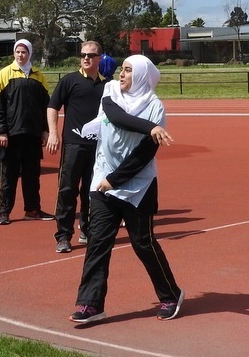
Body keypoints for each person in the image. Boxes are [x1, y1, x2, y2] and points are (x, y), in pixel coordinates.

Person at [69, 54, 184, 324]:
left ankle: (171, 294)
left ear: (142, 76)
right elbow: (116, 117)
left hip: (137, 187)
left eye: (129, 70)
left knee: (143, 243)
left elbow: (144, 154)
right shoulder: (110, 91)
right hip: (102, 181)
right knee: (97, 243)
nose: (122, 74)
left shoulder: (155, 106)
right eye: (122, 69)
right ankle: (91, 304)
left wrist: (116, 179)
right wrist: (150, 128)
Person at [46, 41, 107, 254]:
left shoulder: (106, 86)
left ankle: (87, 230)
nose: (86, 58)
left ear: (99, 58)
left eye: (91, 55)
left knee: (92, 191)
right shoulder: (69, 81)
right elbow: (52, 106)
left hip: (97, 148)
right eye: (83, 55)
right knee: (67, 191)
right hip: (73, 145)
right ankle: (63, 235)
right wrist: (53, 133)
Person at [0, 39, 53, 225]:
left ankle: (32, 210)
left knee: (32, 176)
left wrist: (45, 130)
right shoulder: (4, 74)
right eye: (18, 52)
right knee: (8, 176)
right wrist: (1, 131)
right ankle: (4, 212)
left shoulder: (39, 76)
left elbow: (45, 107)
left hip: (32, 135)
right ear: (14, 54)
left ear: (30, 53)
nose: (20, 55)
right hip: (11, 136)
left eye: (24, 52)